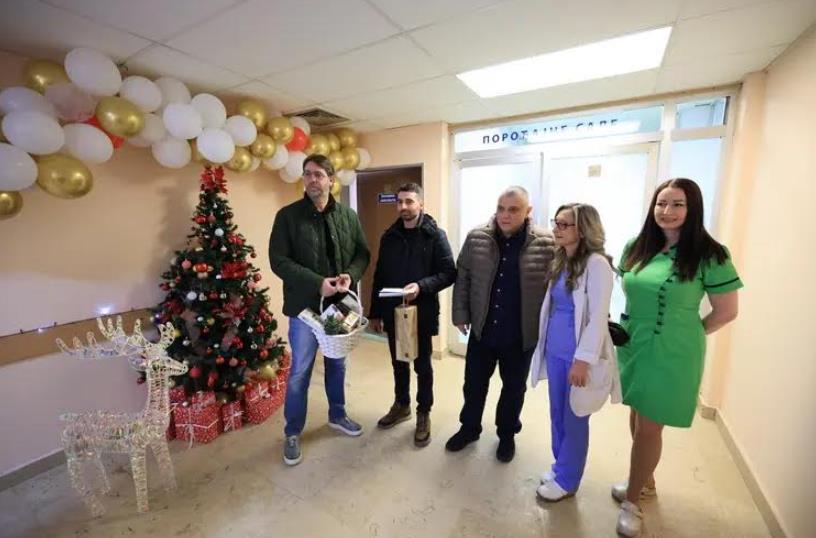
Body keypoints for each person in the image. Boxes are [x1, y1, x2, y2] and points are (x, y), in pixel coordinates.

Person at [613, 178, 742, 536]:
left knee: (650, 425)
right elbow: (629, 291)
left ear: (693, 208)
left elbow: (726, 311)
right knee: (637, 413)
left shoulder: (711, 254)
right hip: (634, 342)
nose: (666, 211)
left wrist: (686, 333)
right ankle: (645, 481)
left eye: (677, 204)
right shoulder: (636, 246)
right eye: (661, 203)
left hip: (674, 351)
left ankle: (633, 502)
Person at [268, 154, 370, 466]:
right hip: (304, 310)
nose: (312, 179)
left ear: (331, 180)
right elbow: (278, 261)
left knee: (338, 365)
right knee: (300, 371)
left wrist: (350, 275)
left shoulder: (348, 216)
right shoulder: (288, 216)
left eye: (319, 174)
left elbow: (362, 253)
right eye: (308, 174)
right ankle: (292, 432)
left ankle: (337, 415)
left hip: (340, 308)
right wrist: (317, 283)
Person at [446, 186, 555, 462]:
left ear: (528, 211)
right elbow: (463, 277)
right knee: (473, 385)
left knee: (513, 389)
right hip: (483, 330)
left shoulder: (547, 243)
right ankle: (469, 428)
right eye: (501, 208)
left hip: (520, 334)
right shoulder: (477, 237)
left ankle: (507, 435)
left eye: (513, 209)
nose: (505, 215)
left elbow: (555, 287)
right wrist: (460, 314)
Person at [529, 203, 620, 502]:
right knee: (557, 413)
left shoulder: (597, 264)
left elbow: (597, 317)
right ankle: (560, 466)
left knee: (575, 417)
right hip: (555, 351)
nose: (556, 229)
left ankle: (568, 480)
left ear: (583, 229)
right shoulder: (562, 260)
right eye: (556, 222)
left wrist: (582, 360)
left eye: (564, 224)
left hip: (578, 356)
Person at [368, 182, 456, 447]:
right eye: (400, 202)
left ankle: (423, 412)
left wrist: (421, 286)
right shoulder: (389, 237)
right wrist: (375, 313)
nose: (404, 206)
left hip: (422, 312)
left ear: (421, 204)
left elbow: (449, 273)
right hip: (393, 311)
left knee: (422, 366)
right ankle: (402, 404)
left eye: (409, 201)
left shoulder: (435, 235)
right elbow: (380, 276)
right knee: (398, 362)